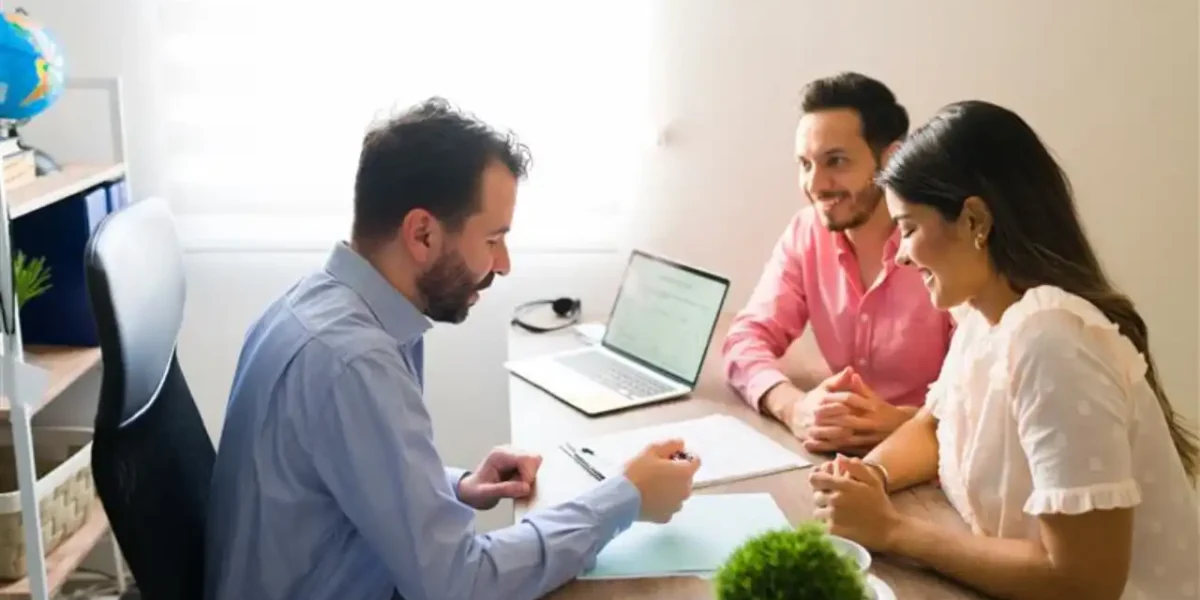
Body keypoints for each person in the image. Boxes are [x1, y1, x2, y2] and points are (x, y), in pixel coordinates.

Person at [203, 97, 701, 600]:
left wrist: (453, 487)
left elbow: (332, 476)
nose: (503, 264)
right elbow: (459, 584)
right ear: (422, 233)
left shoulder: (313, 305)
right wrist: (625, 499)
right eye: (492, 239)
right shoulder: (354, 363)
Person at [810, 100, 1200, 600]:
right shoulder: (982, 316)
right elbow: (936, 427)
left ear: (974, 220)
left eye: (907, 229)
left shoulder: (1055, 341)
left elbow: (1083, 580)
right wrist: (870, 476)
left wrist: (893, 530)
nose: (902, 255)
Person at [722, 72, 954, 454]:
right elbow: (745, 339)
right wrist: (792, 406)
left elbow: (990, 394)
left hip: (938, 461)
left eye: (836, 161)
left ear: (891, 159)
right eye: (806, 164)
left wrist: (905, 421)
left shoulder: (945, 243)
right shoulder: (807, 232)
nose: (815, 184)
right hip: (837, 454)